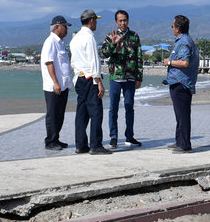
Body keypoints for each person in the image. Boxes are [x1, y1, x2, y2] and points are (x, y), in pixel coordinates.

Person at [70, 9, 111, 155]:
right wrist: (98, 81)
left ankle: (80, 145)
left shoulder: (74, 38)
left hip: (79, 78)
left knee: (81, 113)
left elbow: (73, 61)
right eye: (96, 20)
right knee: (96, 112)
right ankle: (95, 145)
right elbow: (94, 62)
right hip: (90, 78)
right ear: (92, 20)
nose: (96, 23)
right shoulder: (89, 37)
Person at [101, 10, 143, 148]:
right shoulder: (110, 36)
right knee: (113, 108)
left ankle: (129, 136)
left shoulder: (134, 36)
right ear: (116, 22)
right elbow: (104, 54)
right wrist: (112, 44)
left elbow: (139, 58)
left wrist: (139, 77)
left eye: (125, 20)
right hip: (115, 77)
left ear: (128, 21)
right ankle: (113, 137)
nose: (123, 23)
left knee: (129, 107)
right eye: (120, 21)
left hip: (130, 77)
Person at [163, 15, 199, 154]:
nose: (172, 28)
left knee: (183, 114)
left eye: (172, 26)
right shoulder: (182, 40)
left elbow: (185, 63)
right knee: (179, 114)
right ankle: (179, 140)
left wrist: (169, 62)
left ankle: (184, 144)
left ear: (177, 28)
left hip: (182, 83)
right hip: (176, 82)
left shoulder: (184, 42)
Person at [41, 15, 72, 151]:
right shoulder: (50, 42)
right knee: (53, 114)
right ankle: (50, 141)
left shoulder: (60, 42)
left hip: (63, 85)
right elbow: (49, 62)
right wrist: (55, 82)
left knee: (60, 114)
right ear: (57, 27)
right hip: (54, 86)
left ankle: (56, 138)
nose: (67, 30)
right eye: (65, 27)